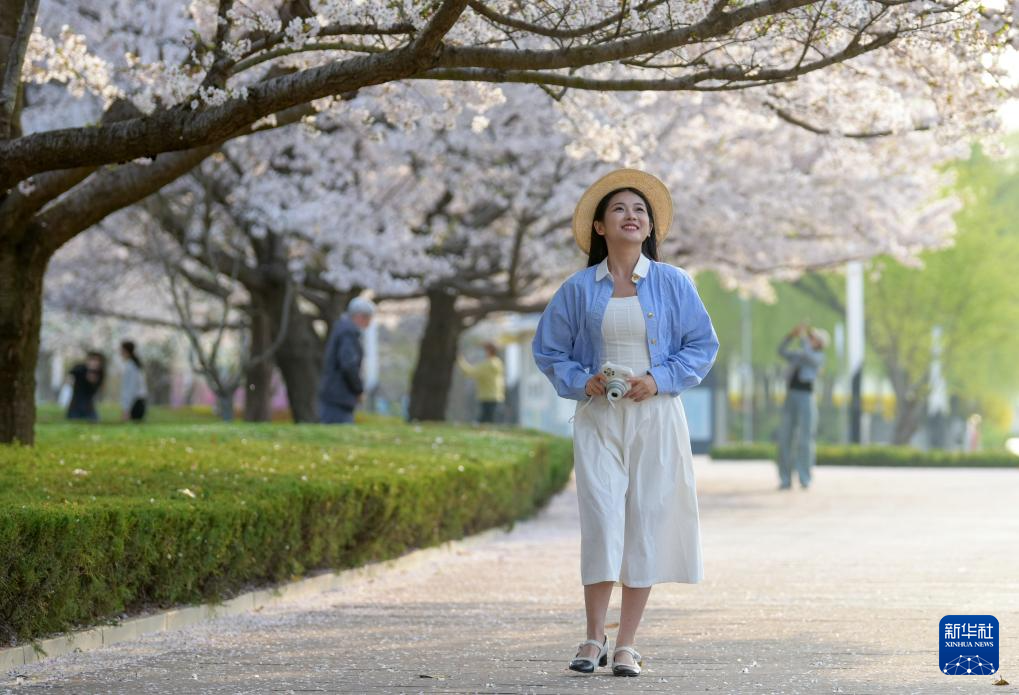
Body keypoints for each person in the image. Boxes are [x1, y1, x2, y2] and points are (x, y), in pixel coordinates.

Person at [531, 169, 718, 677]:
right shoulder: (576, 289)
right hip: (599, 420)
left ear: (649, 225)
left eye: (640, 210)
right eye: (619, 209)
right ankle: (593, 638)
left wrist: (660, 378)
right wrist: (581, 380)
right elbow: (548, 350)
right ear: (598, 227)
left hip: (656, 419)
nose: (631, 216)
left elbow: (703, 346)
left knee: (647, 522)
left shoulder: (673, 283)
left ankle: (627, 644)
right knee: (602, 521)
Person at [776, 323, 828, 490]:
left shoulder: (818, 357)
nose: (809, 340)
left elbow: (808, 354)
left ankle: (805, 478)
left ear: (819, 343)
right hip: (791, 396)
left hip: (807, 398)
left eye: (813, 338)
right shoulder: (799, 355)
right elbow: (781, 351)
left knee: (805, 439)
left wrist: (804, 335)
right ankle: (785, 479)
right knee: (785, 438)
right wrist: (791, 336)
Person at [318, 296, 375, 424]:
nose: (369, 323)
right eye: (369, 319)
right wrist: (358, 389)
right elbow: (349, 364)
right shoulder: (348, 333)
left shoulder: (342, 329)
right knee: (335, 434)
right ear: (360, 316)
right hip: (339, 397)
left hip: (334, 395)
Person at [456, 341, 505, 423]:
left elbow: (469, 372)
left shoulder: (487, 365)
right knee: (492, 421)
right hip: (497, 397)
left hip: (487, 397)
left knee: (485, 422)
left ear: (489, 351)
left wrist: (460, 360)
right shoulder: (498, 363)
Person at [66, 351, 106, 421]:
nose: (95, 363)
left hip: (89, 407)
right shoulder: (80, 368)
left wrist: (93, 382)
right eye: (93, 360)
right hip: (75, 406)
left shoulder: (100, 373)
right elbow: (71, 374)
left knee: (94, 420)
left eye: (97, 360)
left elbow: (96, 389)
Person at [120, 340, 148, 422]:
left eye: (121, 350)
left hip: (135, 403)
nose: (120, 353)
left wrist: (126, 409)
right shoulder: (135, 365)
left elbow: (131, 388)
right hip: (139, 401)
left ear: (126, 351)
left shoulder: (131, 366)